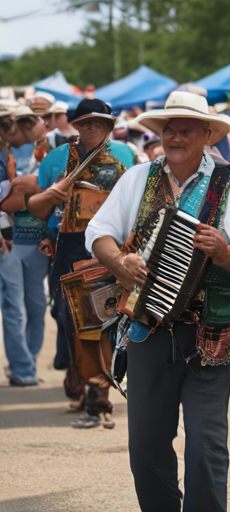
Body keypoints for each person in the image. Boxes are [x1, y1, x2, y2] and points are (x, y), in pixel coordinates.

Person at [85, 91, 230, 512]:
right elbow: (97, 232)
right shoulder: (138, 177)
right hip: (148, 331)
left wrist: (225, 253)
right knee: (146, 446)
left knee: (206, 446)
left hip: (212, 334)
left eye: (186, 129)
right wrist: (120, 261)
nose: (175, 136)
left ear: (207, 135)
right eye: (169, 128)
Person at [29, 98, 136, 427]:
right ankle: (82, 384)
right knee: (68, 319)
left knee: (103, 322)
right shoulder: (56, 158)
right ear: (74, 125)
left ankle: (98, 396)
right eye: (85, 122)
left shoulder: (127, 156)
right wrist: (48, 228)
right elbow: (39, 208)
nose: (91, 127)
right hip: (69, 249)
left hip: (110, 247)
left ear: (110, 125)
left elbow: (134, 204)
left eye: (98, 122)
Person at [0, 105, 50, 386]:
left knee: (36, 305)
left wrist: (23, 191)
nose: (11, 128)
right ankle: (22, 369)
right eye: (4, 124)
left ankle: (28, 360)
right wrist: (23, 191)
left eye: (19, 121)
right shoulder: (1, 156)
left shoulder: (49, 153)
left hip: (39, 242)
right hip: (8, 243)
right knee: (12, 306)